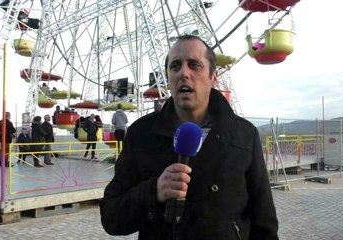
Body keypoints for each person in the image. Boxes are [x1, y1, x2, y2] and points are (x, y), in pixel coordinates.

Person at [100, 35, 279, 239]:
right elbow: (111, 216)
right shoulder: (141, 134)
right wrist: (154, 192)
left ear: (214, 76)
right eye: (175, 66)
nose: (184, 73)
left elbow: (264, 222)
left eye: (194, 65)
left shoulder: (244, 135)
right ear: (168, 78)